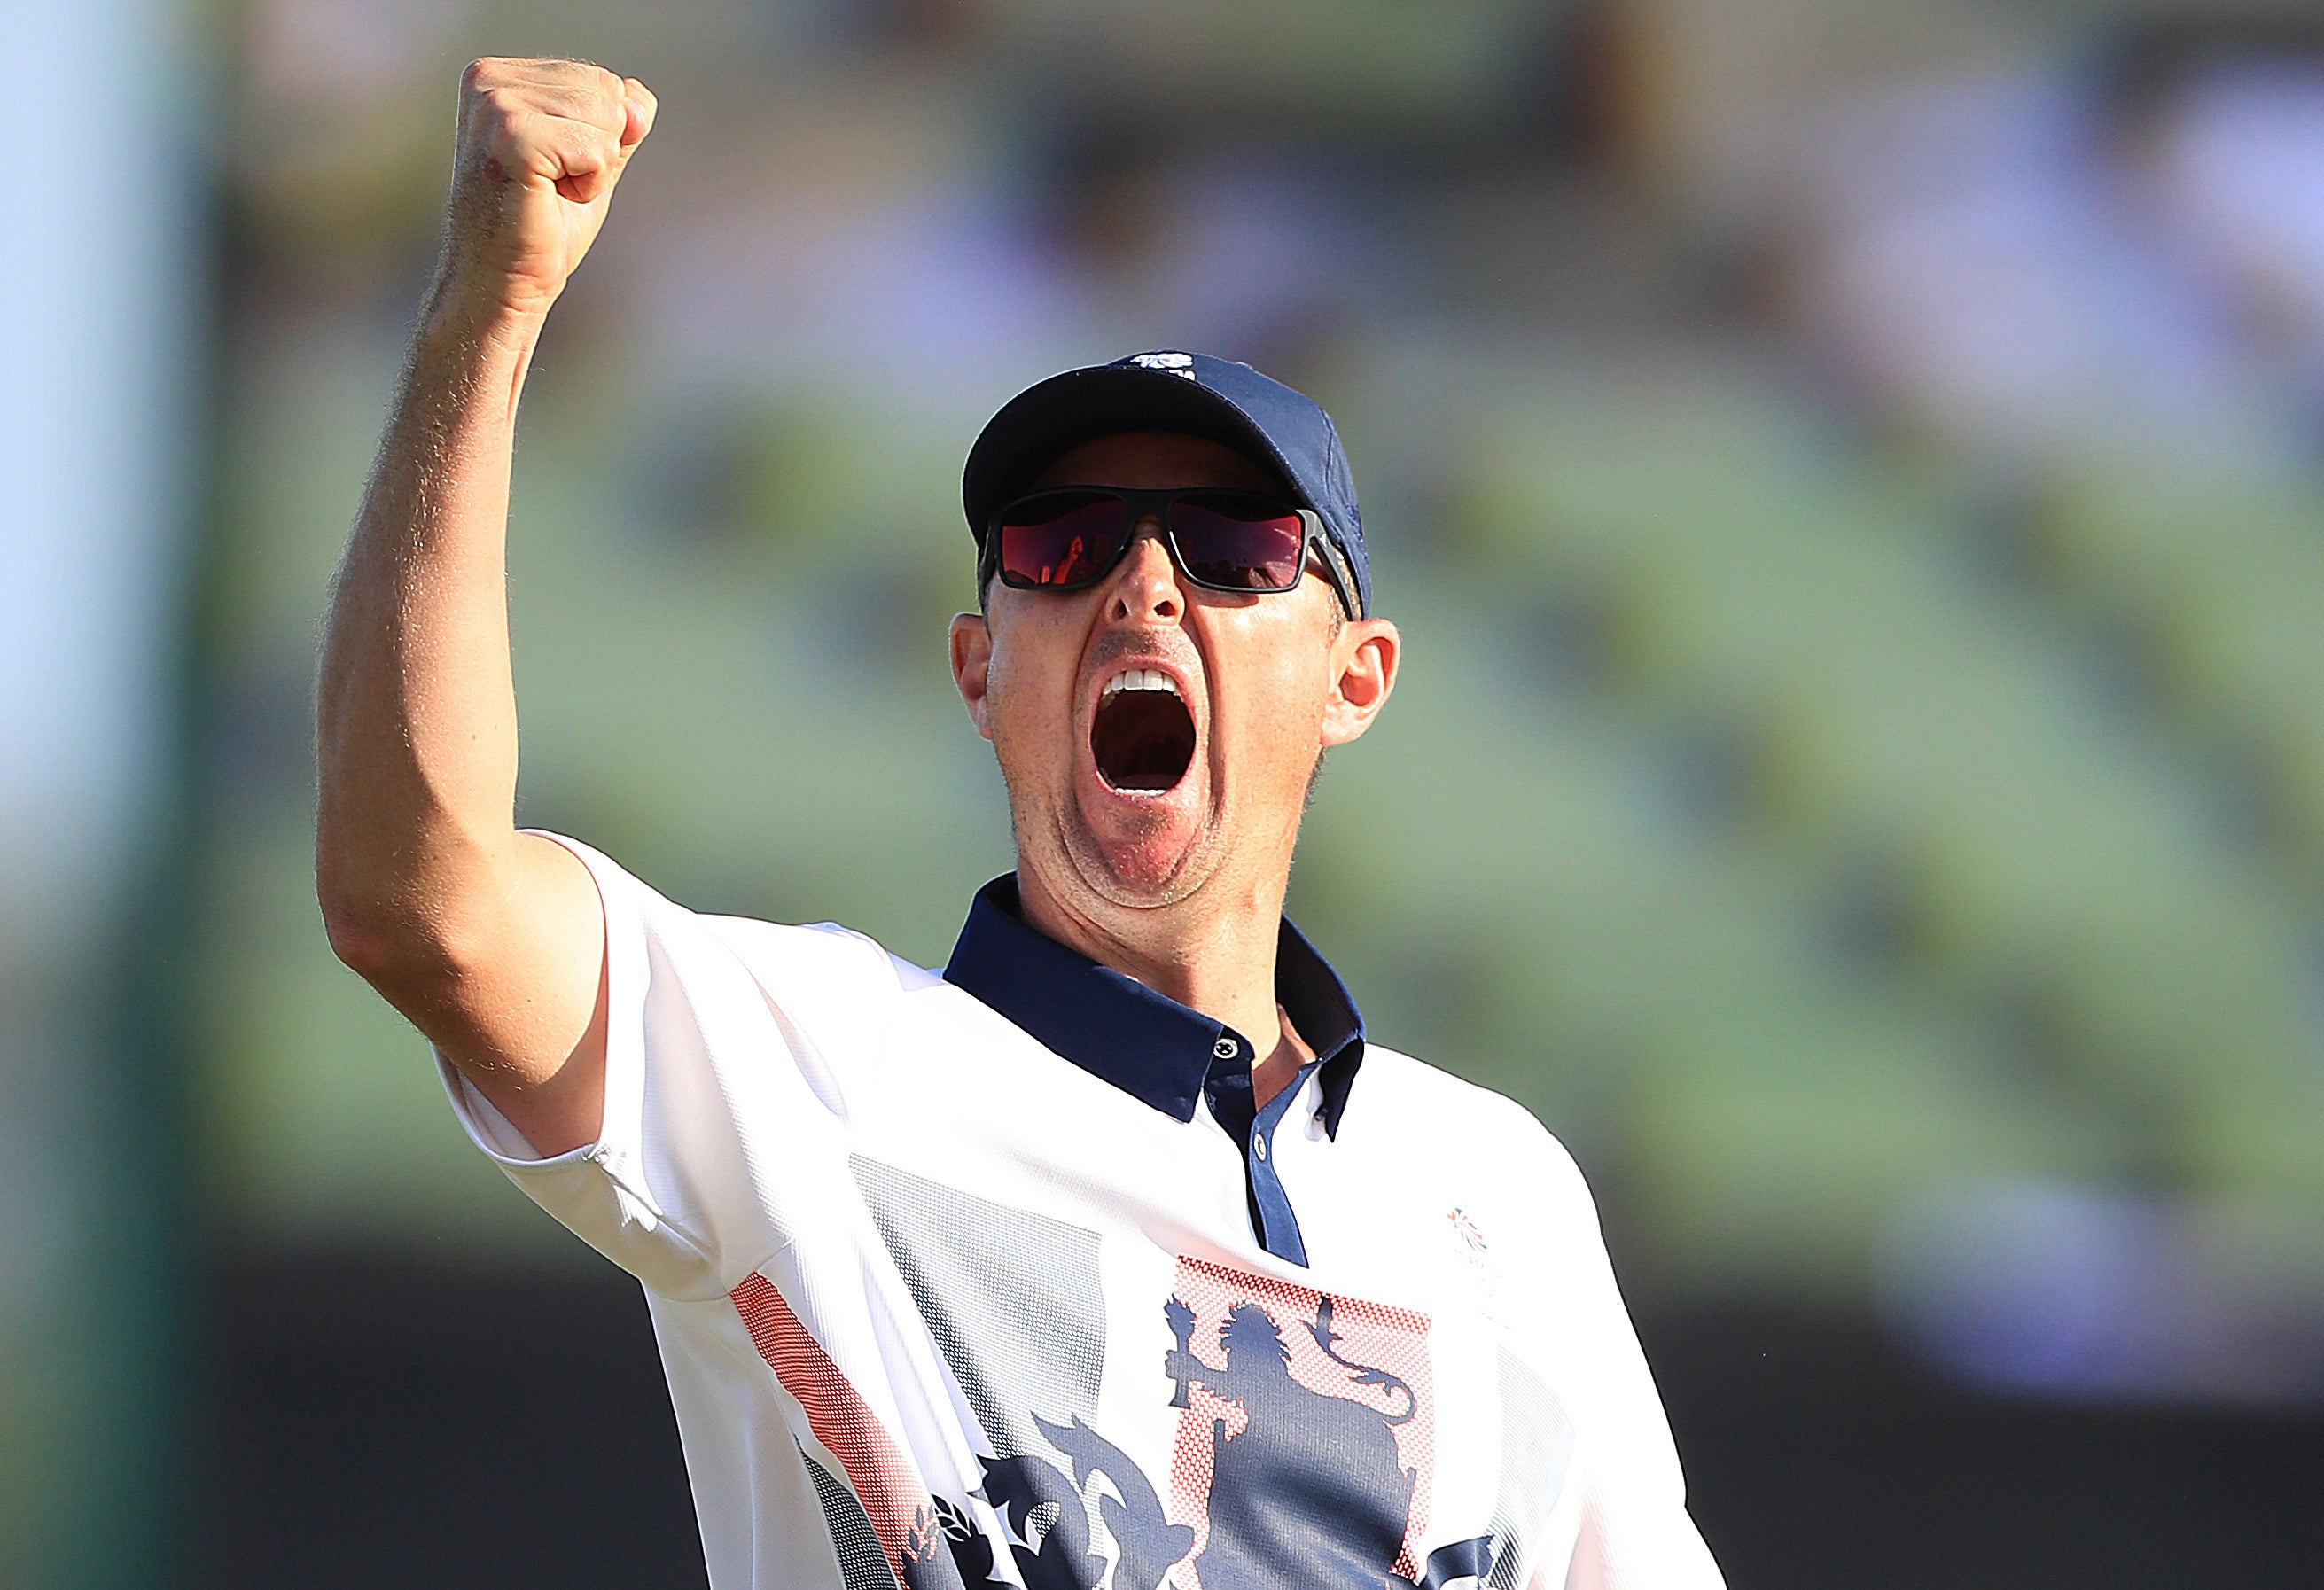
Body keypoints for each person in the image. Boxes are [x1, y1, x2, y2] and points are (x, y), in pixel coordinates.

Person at [315, 57, 1726, 1590]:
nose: (1142, 582)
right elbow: (424, 902)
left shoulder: (1494, 1186)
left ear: (1353, 675)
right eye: (1061, 545)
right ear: (978, 672)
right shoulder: (812, 1072)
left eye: (1238, 546)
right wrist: (491, 302)